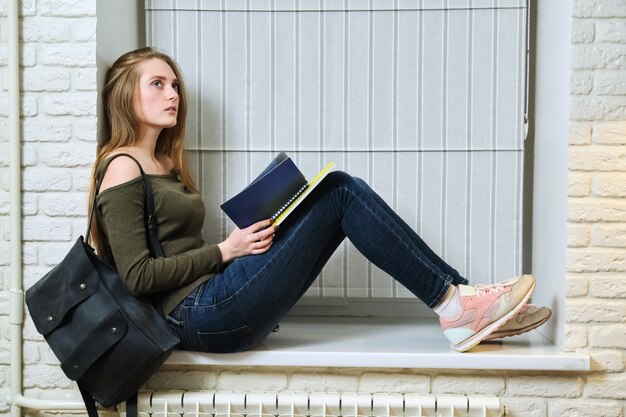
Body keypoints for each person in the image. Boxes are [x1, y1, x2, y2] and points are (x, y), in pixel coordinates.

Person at [89, 47, 550, 354]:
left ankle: (465, 303)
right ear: (126, 95)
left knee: (334, 190)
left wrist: (246, 237)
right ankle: (456, 305)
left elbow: (178, 251)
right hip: (195, 317)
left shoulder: (165, 163)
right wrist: (225, 251)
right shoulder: (122, 167)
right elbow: (137, 277)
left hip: (212, 298)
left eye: (174, 85)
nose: (172, 94)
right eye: (157, 84)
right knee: (341, 191)